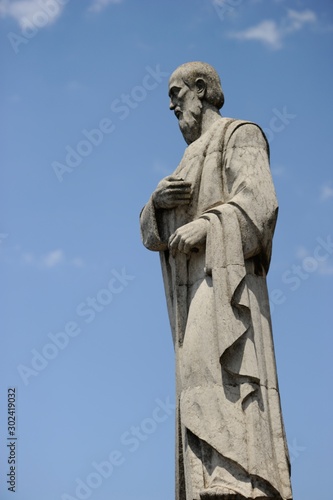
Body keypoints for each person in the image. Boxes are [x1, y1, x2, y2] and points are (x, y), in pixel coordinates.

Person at [140, 62, 293, 500]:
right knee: (195, 377)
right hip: (192, 286)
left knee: (224, 366)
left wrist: (208, 226)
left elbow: (260, 205)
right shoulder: (188, 156)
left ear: (201, 89)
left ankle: (239, 476)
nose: (171, 105)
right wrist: (157, 202)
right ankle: (209, 474)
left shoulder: (241, 134)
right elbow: (151, 233)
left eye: (176, 93)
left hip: (226, 280)